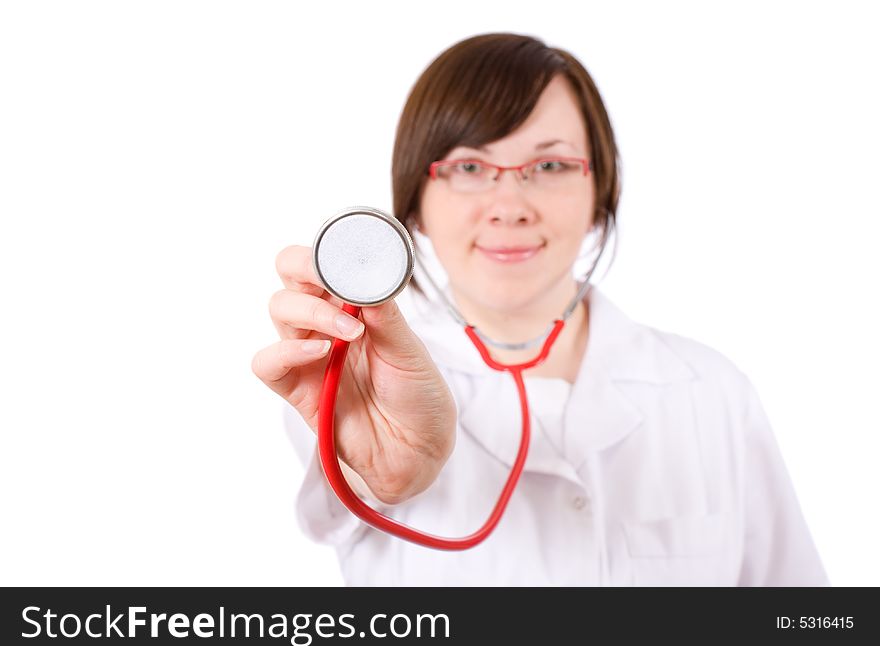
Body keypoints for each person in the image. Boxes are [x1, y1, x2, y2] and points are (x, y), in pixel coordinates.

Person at [251, 33, 829, 586]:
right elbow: (344, 501)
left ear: (601, 191)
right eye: (469, 168)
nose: (509, 206)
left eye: (550, 166)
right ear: (415, 206)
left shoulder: (712, 392)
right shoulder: (355, 385)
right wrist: (381, 474)